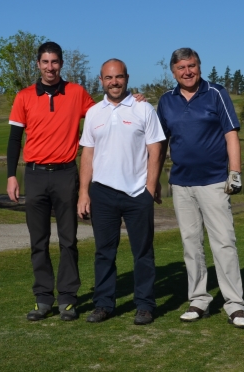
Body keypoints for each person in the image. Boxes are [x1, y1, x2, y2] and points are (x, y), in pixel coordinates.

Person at [156, 47, 244, 329]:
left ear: (199, 66)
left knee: (223, 242)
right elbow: (160, 143)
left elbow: (230, 133)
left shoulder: (216, 93)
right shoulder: (166, 101)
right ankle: (199, 299)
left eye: (192, 66)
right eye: (181, 68)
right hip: (181, 183)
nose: (188, 72)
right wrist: (155, 181)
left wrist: (235, 173)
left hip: (214, 182)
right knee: (191, 244)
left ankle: (235, 305)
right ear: (173, 72)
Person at [7, 41, 96, 322]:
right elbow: (14, 140)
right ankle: (43, 298)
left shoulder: (77, 93)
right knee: (39, 241)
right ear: (38, 64)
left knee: (68, 240)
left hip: (66, 173)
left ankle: (68, 299)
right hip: (33, 174)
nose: (50, 67)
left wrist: (132, 100)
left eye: (54, 62)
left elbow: (103, 115)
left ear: (61, 64)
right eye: (45, 62)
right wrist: (11, 175)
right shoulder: (23, 97)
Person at [77, 59, 166, 325]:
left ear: (126, 78)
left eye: (118, 77)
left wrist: (150, 189)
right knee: (104, 252)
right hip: (102, 193)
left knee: (143, 252)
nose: (113, 82)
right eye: (108, 78)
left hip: (137, 193)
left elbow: (156, 150)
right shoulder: (94, 113)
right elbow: (87, 154)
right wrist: (84, 192)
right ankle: (103, 304)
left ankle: (145, 305)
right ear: (101, 80)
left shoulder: (143, 108)